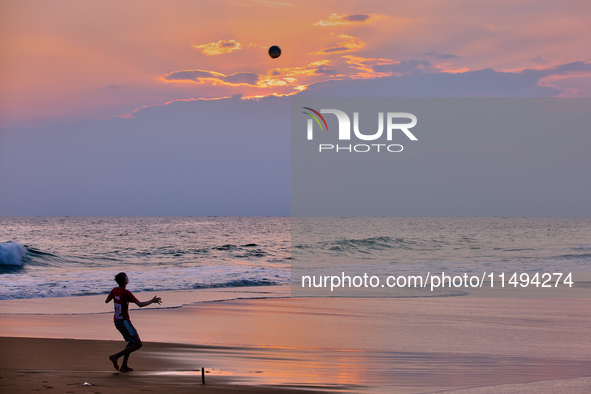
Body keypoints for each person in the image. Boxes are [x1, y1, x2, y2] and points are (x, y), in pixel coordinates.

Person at [105, 272, 161, 372]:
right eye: (127, 277)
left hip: (116, 321)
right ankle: (115, 357)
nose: (128, 278)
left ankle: (124, 366)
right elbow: (140, 304)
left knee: (132, 341)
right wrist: (152, 301)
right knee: (138, 344)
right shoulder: (126, 293)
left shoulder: (115, 290)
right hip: (124, 321)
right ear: (125, 280)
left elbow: (106, 301)